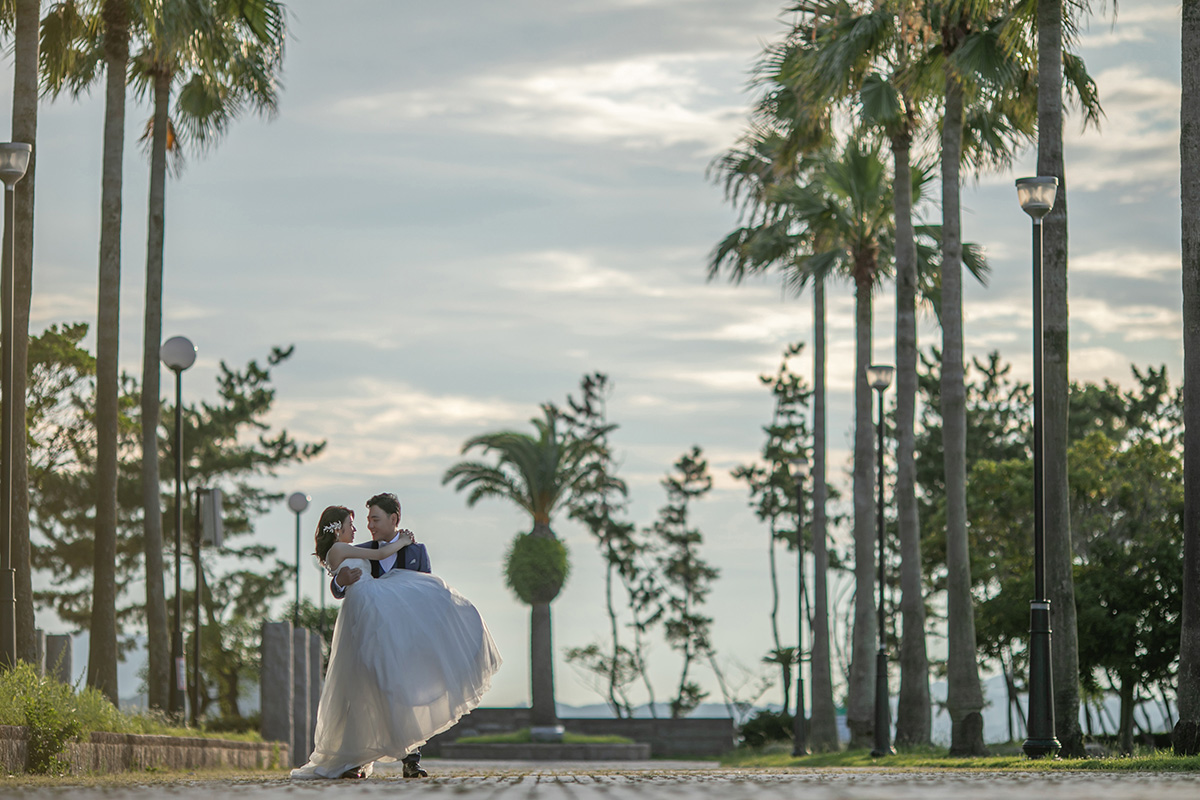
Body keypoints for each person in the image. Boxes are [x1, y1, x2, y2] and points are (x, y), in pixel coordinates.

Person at [290, 500, 502, 780]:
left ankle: (408, 759)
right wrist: (340, 580)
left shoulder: (416, 551)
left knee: (400, 688)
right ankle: (358, 756)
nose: (369, 525)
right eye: (365, 520)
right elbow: (339, 583)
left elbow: (424, 593)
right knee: (371, 686)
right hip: (368, 623)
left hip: (406, 635)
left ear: (394, 518)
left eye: (375, 519)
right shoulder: (363, 548)